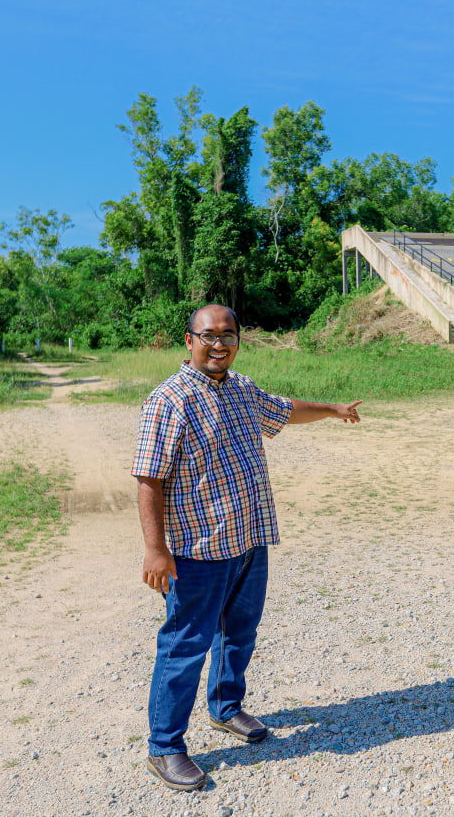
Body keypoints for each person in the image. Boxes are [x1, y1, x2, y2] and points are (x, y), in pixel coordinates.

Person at [131, 303, 362, 791]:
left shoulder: (240, 389)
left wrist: (333, 410)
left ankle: (225, 707)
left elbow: (284, 410)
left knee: (240, 632)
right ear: (189, 340)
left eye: (229, 335)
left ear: (238, 339)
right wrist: (156, 549)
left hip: (249, 540)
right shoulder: (168, 401)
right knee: (184, 646)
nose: (220, 344)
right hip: (198, 549)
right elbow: (149, 478)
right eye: (209, 335)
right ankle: (165, 747)